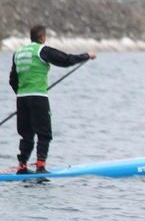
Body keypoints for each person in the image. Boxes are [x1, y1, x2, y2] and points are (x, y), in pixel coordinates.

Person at [10, 25, 96, 174]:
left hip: (22, 98)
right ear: (42, 37)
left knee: (26, 134)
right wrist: (86, 55)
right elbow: (66, 60)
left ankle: (22, 166)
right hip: (38, 97)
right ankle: (40, 166)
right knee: (44, 133)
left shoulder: (18, 53)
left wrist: (23, 93)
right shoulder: (42, 50)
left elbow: (12, 80)